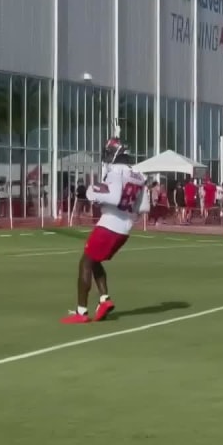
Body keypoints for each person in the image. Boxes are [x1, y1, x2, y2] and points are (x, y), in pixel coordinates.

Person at [61, 137, 149, 324]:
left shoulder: (115, 171)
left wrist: (90, 192)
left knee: (85, 263)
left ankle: (81, 312)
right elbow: (144, 207)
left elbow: (114, 196)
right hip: (124, 229)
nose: (107, 156)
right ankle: (104, 300)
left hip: (109, 225)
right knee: (94, 261)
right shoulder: (140, 176)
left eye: (109, 152)